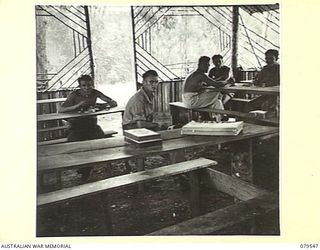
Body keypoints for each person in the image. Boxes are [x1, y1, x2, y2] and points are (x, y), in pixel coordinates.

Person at [59, 74, 117, 180]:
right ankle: (83, 168)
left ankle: (90, 168)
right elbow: (61, 110)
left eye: (89, 85)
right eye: (84, 85)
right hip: (76, 126)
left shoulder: (95, 93)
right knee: (74, 145)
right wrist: (77, 105)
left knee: (100, 141)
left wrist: (100, 106)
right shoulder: (74, 95)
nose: (87, 88)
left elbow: (113, 103)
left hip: (91, 125)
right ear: (79, 86)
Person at [252, 49, 280, 114]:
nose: (268, 61)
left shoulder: (280, 69)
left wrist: (265, 84)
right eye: (267, 59)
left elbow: (277, 82)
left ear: (276, 58)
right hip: (266, 95)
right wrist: (256, 81)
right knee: (250, 105)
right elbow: (257, 80)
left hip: (277, 97)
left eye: (271, 58)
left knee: (266, 106)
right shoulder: (265, 68)